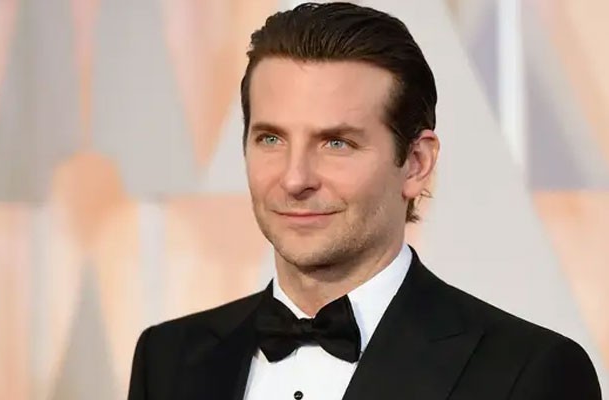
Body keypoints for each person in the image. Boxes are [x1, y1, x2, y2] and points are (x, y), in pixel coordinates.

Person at [127, 2, 602, 399]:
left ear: (415, 163)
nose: (295, 179)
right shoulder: (168, 359)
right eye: (271, 139)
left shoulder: (529, 373)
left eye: (336, 143)